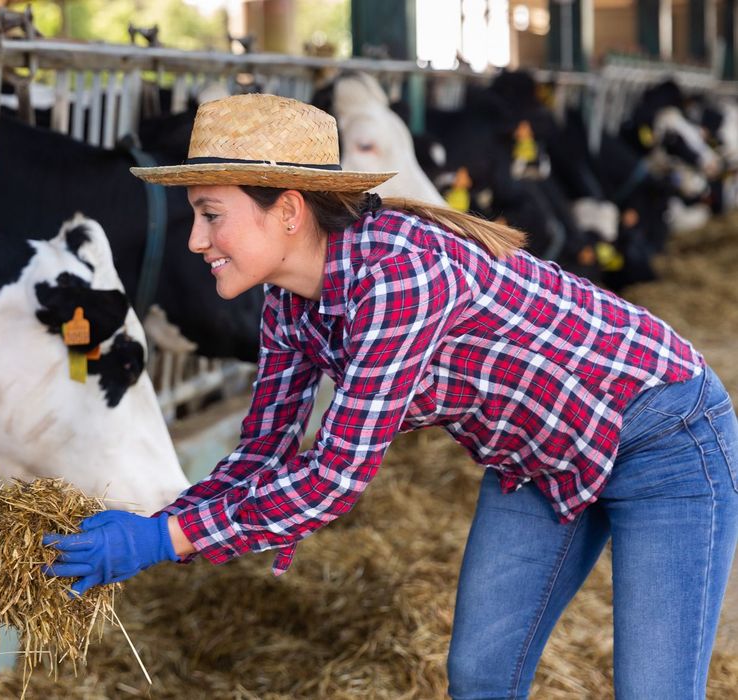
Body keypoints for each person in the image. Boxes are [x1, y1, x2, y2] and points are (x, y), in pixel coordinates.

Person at [41, 93, 738, 698]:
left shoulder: (397, 275)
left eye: (210, 214)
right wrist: (160, 518)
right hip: (539, 456)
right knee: (480, 676)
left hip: (662, 435)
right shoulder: (289, 305)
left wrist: (163, 540)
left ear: (286, 212)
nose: (195, 240)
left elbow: (334, 478)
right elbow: (261, 456)